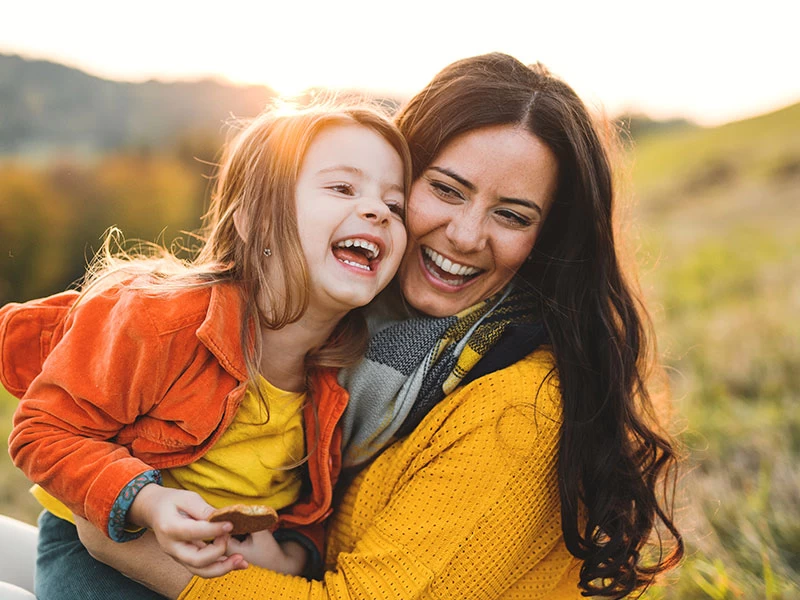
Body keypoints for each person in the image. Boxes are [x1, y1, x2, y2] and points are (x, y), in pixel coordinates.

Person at [10, 51, 686, 599]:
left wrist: (135, 538)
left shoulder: (511, 407)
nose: (465, 234)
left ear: (548, 240)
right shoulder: (358, 346)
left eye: (512, 215)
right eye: (444, 189)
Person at [0, 100, 410, 599]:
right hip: (102, 545)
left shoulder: (345, 377)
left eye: (395, 206)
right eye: (343, 188)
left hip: (222, 572)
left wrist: (289, 556)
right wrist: (147, 502)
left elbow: (308, 508)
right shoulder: (161, 320)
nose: (377, 211)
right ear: (255, 220)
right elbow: (42, 431)